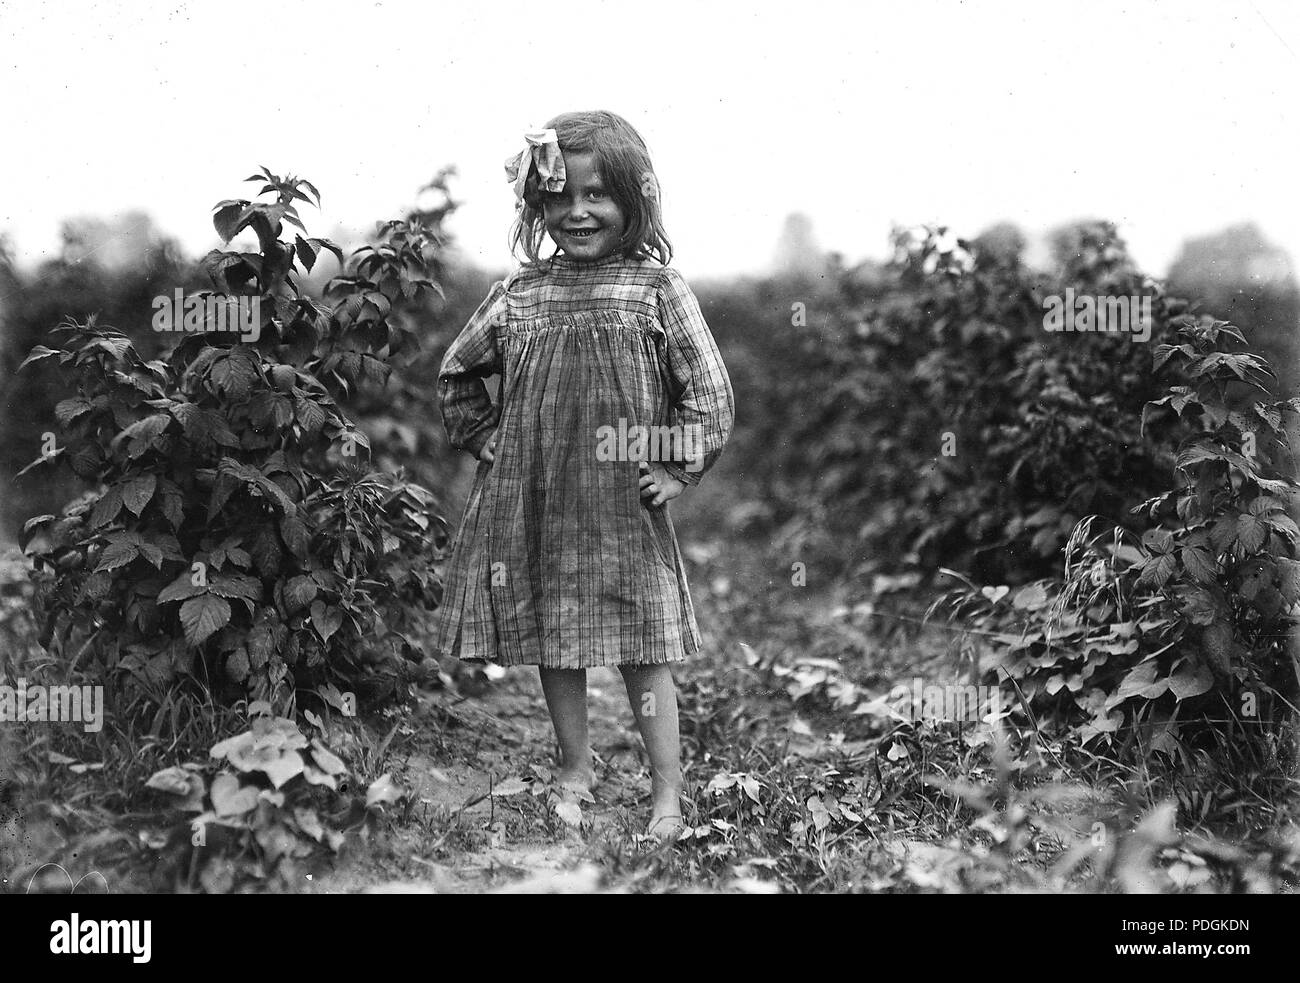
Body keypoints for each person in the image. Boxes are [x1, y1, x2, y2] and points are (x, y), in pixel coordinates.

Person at [430, 111, 735, 840]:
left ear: (635, 199)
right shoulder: (522, 294)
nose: (578, 211)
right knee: (552, 635)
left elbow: (710, 392)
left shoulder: (658, 289)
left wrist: (676, 463)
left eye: (597, 194)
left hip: (622, 506)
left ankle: (668, 793)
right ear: (537, 206)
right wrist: (487, 437)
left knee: (642, 645)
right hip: (536, 499)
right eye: (559, 197)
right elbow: (457, 373)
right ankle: (576, 765)